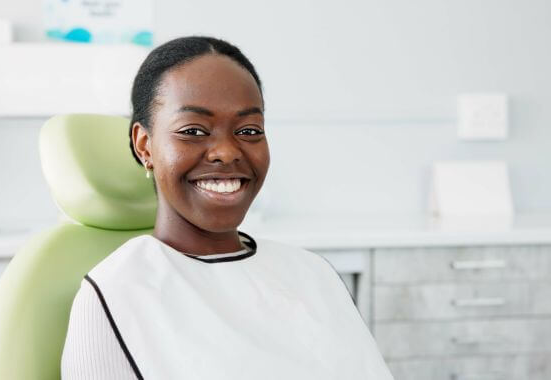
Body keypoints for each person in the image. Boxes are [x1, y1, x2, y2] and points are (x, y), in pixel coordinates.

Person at [60, 35, 394, 380]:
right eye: (193, 130)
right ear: (145, 146)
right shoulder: (115, 293)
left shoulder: (313, 273)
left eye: (249, 130)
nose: (227, 151)